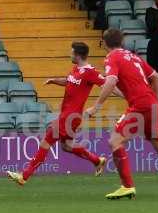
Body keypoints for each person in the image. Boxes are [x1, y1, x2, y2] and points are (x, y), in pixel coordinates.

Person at [85, 29, 158, 200]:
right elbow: (156, 77)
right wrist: (153, 100)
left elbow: (111, 81)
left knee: (115, 141)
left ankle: (127, 186)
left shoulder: (112, 57)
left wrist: (96, 106)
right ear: (122, 41)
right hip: (152, 105)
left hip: (140, 105)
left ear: (105, 43)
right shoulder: (133, 56)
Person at [7, 42, 108, 186]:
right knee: (66, 146)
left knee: (46, 142)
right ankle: (97, 160)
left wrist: (99, 105)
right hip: (67, 115)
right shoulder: (76, 69)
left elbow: (107, 85)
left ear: (78, 55)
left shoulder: (90, 72)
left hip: (71, 116)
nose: (70, 54)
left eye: (72, 52)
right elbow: (68, 81)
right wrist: (54, 81)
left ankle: (24, 176)